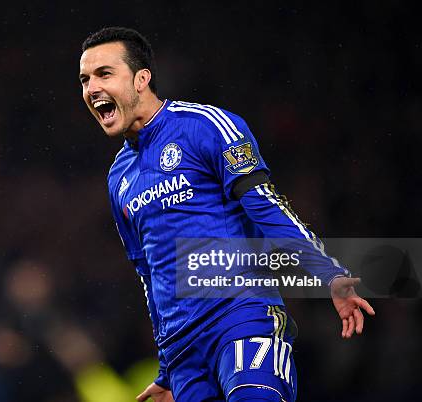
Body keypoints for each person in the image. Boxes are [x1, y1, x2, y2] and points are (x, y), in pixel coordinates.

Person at [79, 27, 375, 402]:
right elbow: (147, 272)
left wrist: (328, 273)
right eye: (85, 79)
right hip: (184, 351)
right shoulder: (119, 177)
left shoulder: (206, 126)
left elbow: (266, 205)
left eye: (105, 74)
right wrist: (169, 369)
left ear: (142, 79)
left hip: (239, 316)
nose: (91, 88)